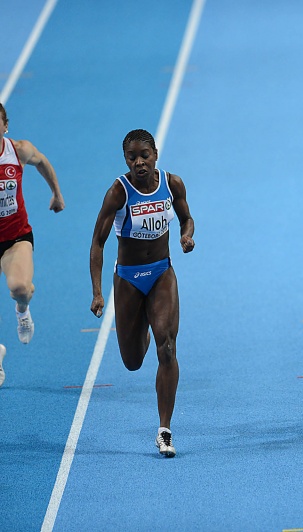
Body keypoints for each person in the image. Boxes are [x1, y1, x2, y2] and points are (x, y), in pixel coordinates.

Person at [89, 129, 194, 457]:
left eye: (144, 156)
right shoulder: (118, 193)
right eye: (132, 158)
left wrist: (186, 237)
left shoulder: (172, 184)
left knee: (168, 348)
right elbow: (97, 243)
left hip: (162, 273)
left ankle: (164, 430)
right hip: (129, 281)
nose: (139, 163)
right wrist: (97, 292)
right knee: (132, 361)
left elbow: (187, 219)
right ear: (126, 160)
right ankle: (144, 327)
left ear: (155, 155)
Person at [0, 102, 65, 388]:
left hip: (16, 238)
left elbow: (42, 162)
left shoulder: (19, 150)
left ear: (5, 126)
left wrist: (56, 194)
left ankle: (22, 311)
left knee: (20, 289)